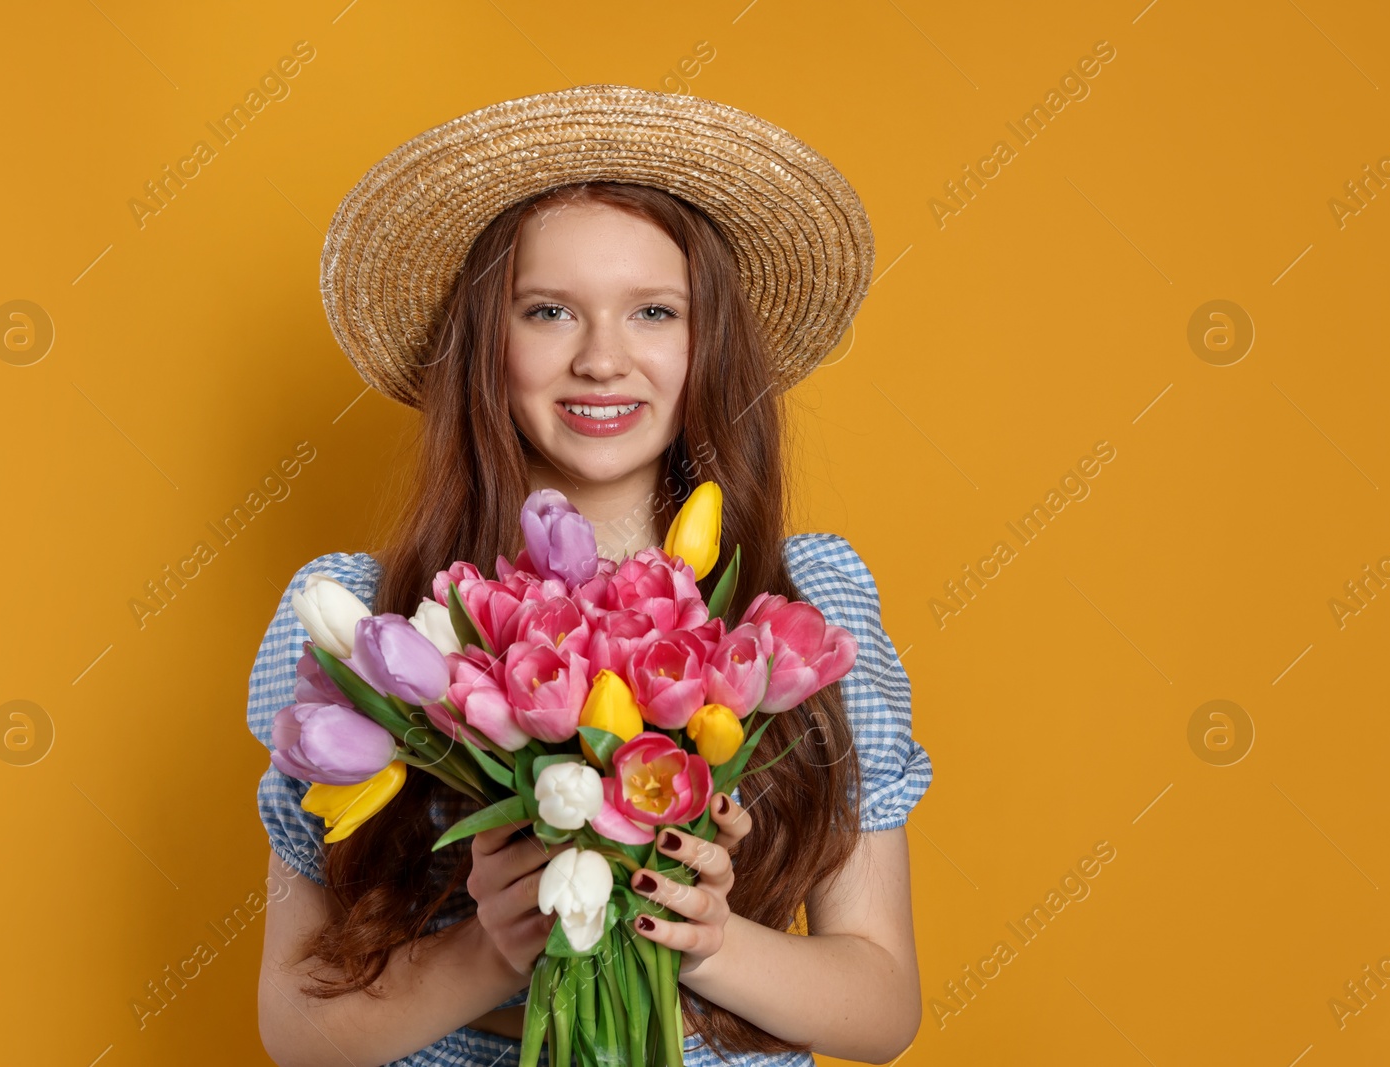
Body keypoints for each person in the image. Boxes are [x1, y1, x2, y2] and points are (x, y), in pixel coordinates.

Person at [247, 84, 933, 1067]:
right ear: (491, 344)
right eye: (549, 310)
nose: (602, 358)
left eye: (654, 310)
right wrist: (493, 945)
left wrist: (707, 936)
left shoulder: (796, 607)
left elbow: (882, 1004)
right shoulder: (365, 623)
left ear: (709, 347)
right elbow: (298, 1025)